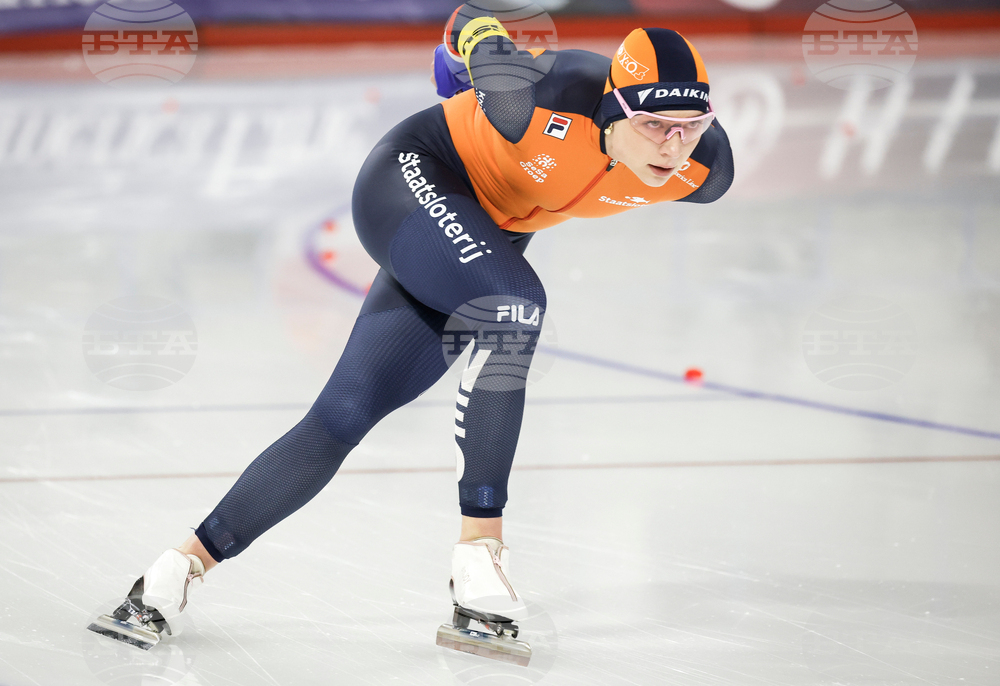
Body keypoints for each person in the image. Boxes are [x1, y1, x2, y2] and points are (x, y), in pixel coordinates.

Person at [89, 6, 733, 664]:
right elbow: (476, 19)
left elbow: (681, 150)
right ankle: (479, 556)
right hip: (413, 178)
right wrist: (465, 59)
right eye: (653, 125)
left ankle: (171, 575)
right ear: (612, 108)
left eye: (690, 126)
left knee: (345, 412)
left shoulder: (704, 171)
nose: (671, 146)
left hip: (482, 233)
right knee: (514, 309)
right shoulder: (536, 99)